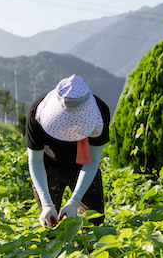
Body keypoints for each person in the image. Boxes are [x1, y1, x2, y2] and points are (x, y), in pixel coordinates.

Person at [25, 74, 111, 228]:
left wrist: (74, 201)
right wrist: (46, 205)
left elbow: (93, 161)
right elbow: (35, 160)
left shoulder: (100, 112)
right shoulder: (36, 112)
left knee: (92, 223)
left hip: (83, 166)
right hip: (48, 166)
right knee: (49, 224)